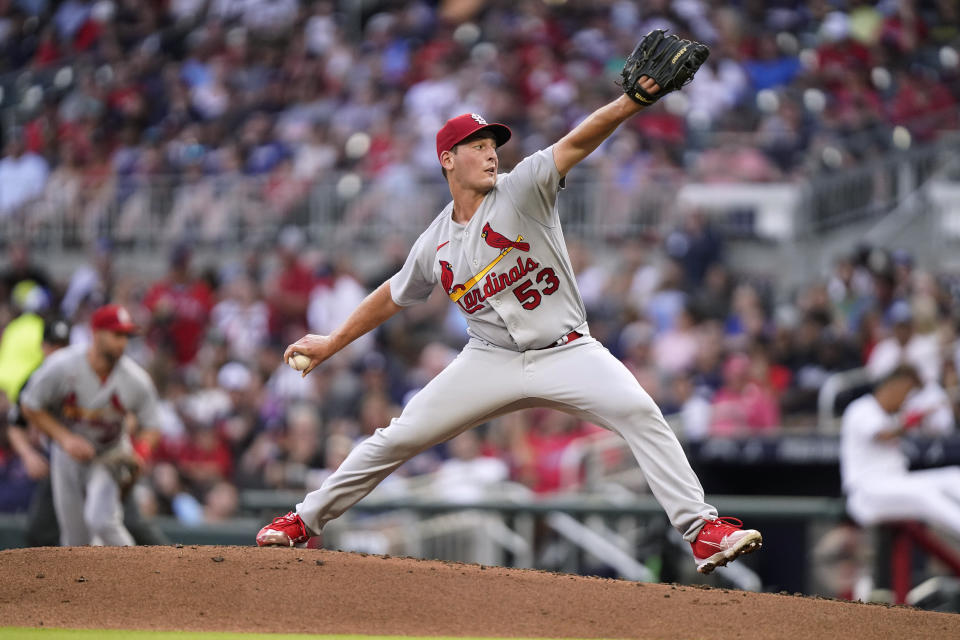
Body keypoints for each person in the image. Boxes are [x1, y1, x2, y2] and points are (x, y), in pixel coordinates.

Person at [257, 70, 762, 574]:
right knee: (398, 436)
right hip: (489, 358)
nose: (491, 152)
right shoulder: (435, 241)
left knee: (640, 414)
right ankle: (303, 521)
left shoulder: (523, 187)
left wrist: (629, 102)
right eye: (476, 145)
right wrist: (333, 341)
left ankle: (701, 531)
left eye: (492, 143)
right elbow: (393, 294)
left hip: (567, 350)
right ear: (447, 160)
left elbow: (577, 141)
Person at [20, 304, 162, 546]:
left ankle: (139, 575)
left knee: (102, 520)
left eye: (126, 336)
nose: (122, 343)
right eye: (116, 334)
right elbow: (30, 405)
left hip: (110, 454)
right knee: (74, 537)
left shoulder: (135, 379)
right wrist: (64, 438)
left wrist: (140, 452)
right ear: (96, 333)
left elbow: (152, 425)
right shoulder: (62, 365)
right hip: (67, 456)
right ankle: (89, 584)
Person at [841, 364, 960, 538]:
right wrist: (911, 420)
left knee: (953, 476)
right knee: (926, 494)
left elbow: (934, 430)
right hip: (867, 492)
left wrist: (925, 417)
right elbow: (884, 434)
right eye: (905, 393)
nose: (905, 400)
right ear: (893, 387)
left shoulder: (893, 414)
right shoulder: (862, 408)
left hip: (894, 482)